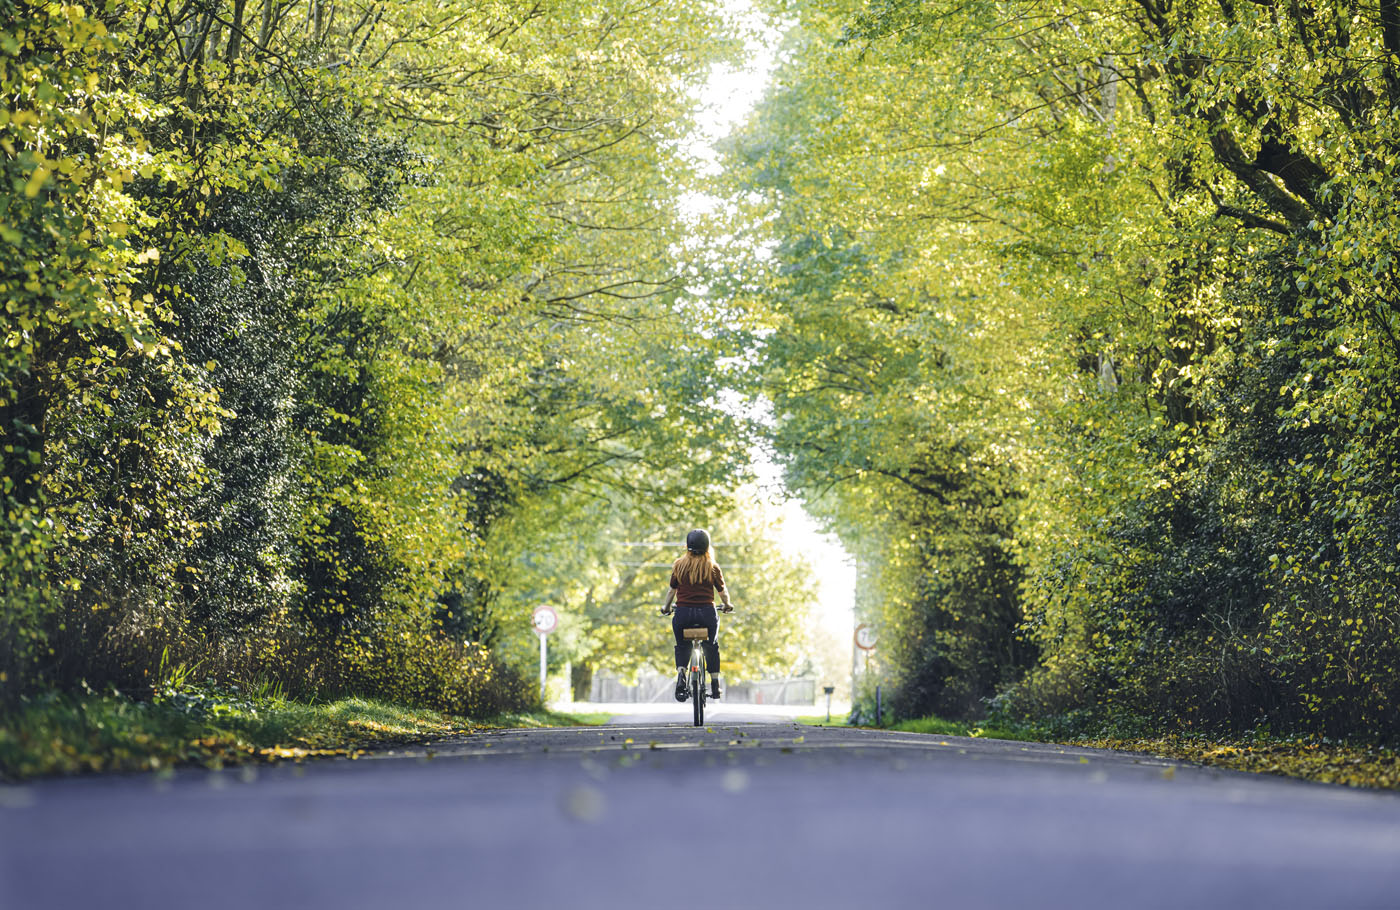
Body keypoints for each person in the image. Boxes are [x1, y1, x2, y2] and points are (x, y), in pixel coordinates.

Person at [660, 528, 734, 702]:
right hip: (706, 614)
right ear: (707, 547)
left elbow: (672, 591)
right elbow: (722, 593)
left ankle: (681, 675)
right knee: (711, 646)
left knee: (682, 646)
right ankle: (715, 683)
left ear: (687, 546)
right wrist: (728, 605)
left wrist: (666, 607)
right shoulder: (712, 567)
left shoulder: (679, 564)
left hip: (683, 614)